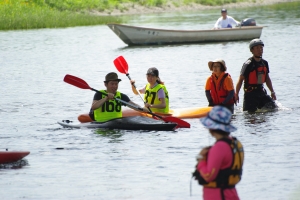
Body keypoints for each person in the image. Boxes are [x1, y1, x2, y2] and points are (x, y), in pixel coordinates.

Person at [193, 106, 244, 200]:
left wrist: (200, 160)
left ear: (211, 128)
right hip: (231, 194)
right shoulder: (236, 143)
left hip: (219, 195)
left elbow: (209, 176)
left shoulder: (219, 148)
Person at [235, 39, 277, 112]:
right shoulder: (248, 64)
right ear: (252, 50)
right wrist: (236, 94)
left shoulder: (265, 63)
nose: (260, 50)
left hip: (261, 91)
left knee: (273, 108)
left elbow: (267, 79)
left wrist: (272, 92)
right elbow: (240, 79)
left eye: (261, 48)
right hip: (250, 94)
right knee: (249, 114)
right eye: (257, 48)